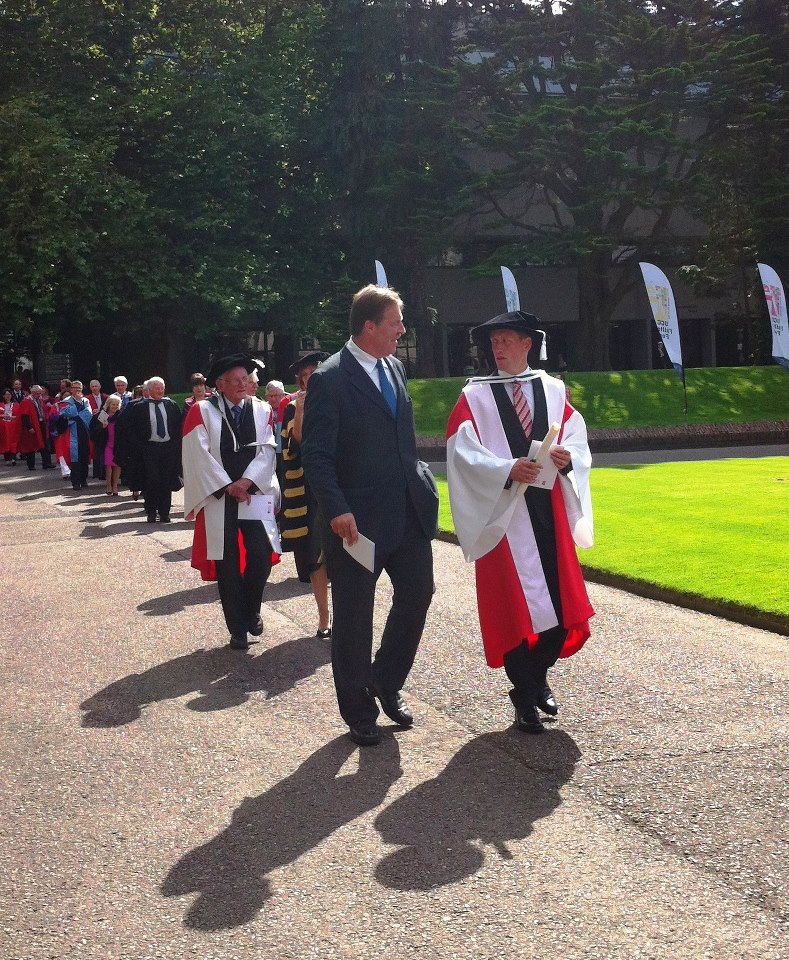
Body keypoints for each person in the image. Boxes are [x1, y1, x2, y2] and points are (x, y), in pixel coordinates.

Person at [301, 284, 438, 747]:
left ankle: (385, 680)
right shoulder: (330, 378)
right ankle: (358, 710)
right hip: (355, 523)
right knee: (355, 617)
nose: (402, 330)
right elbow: (316, 455)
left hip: (407, 514)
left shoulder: (395, 367)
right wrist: (337, 509)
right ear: (370, 326)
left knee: (419, 593)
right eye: (396, 322)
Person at [446, 310, 595, 734]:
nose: (498, 348)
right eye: (494, 342)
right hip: (503, 518)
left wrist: (568, 458)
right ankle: (527, 693)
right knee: (514, 611)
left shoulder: (552, 388)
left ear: (528, 343)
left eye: (507, 340)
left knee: (561, 609)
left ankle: (533, 680)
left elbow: (576, 439)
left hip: (547, 513)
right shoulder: (473, 396)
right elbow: (461, 452)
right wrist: (505, 469)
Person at [182, 354, 281, 650]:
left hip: (253, 492)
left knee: (260, 556)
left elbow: (267, 451)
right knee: (227, 562)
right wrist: (228, 485)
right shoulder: (201, 411)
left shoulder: (262, 410)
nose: (243, 384)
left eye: (246, 379)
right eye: (236, 380)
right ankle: (237, 628)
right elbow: (198, 454)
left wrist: (246, 482)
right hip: (220, 497)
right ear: (220, 384)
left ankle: (252, 609)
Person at [280, 351, 331, 639]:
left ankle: (349, 618)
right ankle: (324, 616)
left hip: (338, 484)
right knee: (315, 554)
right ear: (300, 379)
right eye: (306, 375)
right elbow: (295, 444)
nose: (311, 378)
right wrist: (299, 408)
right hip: (309, 487)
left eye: (316, 373)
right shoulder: (291, 407)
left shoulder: (338, 398)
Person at [127, 377, 182, 522]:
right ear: (149, 390)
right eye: (157, 388)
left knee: (166, 480)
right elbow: (132, 430)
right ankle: (151, 511)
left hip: (168, 448)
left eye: (162, 387)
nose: (160, 390)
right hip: (149, 448)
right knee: (152, 479)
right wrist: (140, 447)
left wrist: (175, 445)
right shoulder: (140, 407)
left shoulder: (171, 405)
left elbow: (178, 426)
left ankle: (164, 512)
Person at [58, 380, 93, 489]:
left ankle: (84, 479)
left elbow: (88, 414)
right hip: (71, 431)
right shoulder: (66, 401)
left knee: (84, 455)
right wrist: (77, 406)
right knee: (74, 457)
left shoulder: (86, 401)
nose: (77, 390)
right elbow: (64, 413)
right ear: (71, 389)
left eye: (79, 388)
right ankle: (76, 481)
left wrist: (76, 414)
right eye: (75, 388)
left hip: (83, 431)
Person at [90, 394, 123, 494]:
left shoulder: (121, 415)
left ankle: (115, 486)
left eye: (117, 404)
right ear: (108, 404)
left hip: (117, 443)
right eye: (113, 404)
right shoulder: (102, 415)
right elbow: (93, 430)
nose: (115, 406)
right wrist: (102, 427)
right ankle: (108, 484)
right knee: (108, 465)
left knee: (117, 464)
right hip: (106, 443)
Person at [17, 385, 52, 470]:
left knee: (44, 443)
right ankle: (31, 465)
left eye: (40, 393)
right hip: (32, 426)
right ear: (33, 393)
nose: (39, 395)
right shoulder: (26, 401)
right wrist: (29, 427)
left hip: (41, 423)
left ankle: (46, 463)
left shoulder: (39, 400)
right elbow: (24, 416)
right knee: (31, 446)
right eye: (38, 393)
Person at [1, 389, 20, 464]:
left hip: (13, 425)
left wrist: (12, 417)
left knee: (13, 441)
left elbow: (19, 415)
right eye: (6, 394)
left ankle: (13, 458)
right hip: (3, 427)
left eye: (9, 394)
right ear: (3, 396)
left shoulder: (16, 405)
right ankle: (7, 458)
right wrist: (2, 415)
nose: (7, 396)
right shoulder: (1, 405)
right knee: (5, 441)